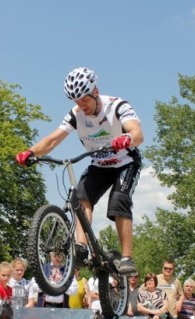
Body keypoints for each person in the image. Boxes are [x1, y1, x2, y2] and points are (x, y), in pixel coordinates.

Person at [16, 67, 144, 275]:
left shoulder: (117, 106)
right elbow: (53, 139)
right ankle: (82, 246)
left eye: (84, 99)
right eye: (76, 101)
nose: (80, 105)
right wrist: (31, 152)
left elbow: (137, 133)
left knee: (118, 200)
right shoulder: (76, 115)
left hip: (125, 162)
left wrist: (127, 138)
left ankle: (127, 257)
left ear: (95, 92)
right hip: (100, 165)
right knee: (81, 196)